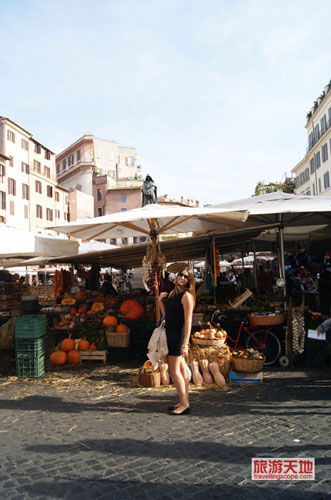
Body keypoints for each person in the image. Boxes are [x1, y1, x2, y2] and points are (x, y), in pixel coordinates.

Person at [158, 267, 195, 415]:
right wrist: (160, 300)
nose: (182, 278)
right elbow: (167, 315)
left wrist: (185, 343)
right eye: (180, 275)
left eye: (186, 277)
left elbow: (188, 321)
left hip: (177, 336)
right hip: (170, 333)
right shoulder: (174, 293)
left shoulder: (187, 296)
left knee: (174, 371)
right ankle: (182, 400)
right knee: (180, 369)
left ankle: (185, 404)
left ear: (189, 281)